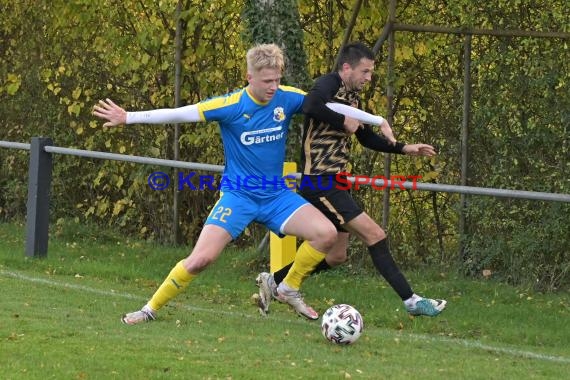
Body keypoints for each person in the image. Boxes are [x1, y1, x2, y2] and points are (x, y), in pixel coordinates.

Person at [92, 43, 388, 324]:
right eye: (266, 80)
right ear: (249, 77)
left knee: (325, 234)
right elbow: (178, 113)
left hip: (276, 197)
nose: (273, 86)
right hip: (239, 197)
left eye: (277, 79)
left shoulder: (286, 97)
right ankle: (149, 309)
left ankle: (287, 287)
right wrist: (128, 117)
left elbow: (328, 105)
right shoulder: (230, 105)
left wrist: (376, 120)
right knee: (200, 260)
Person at [256, 42, 447, 319]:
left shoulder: (352, 99)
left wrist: (404, 147)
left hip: (337, 182)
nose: (369, 78)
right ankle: (411, 300)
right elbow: (310, 104)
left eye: (371, 72)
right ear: (346, 68)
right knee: (375, 235)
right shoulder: (328, 83)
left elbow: (365, 137)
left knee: (336, 256)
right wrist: (341, 121)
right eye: (365, 71)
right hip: (321, 182)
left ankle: (273, 281)